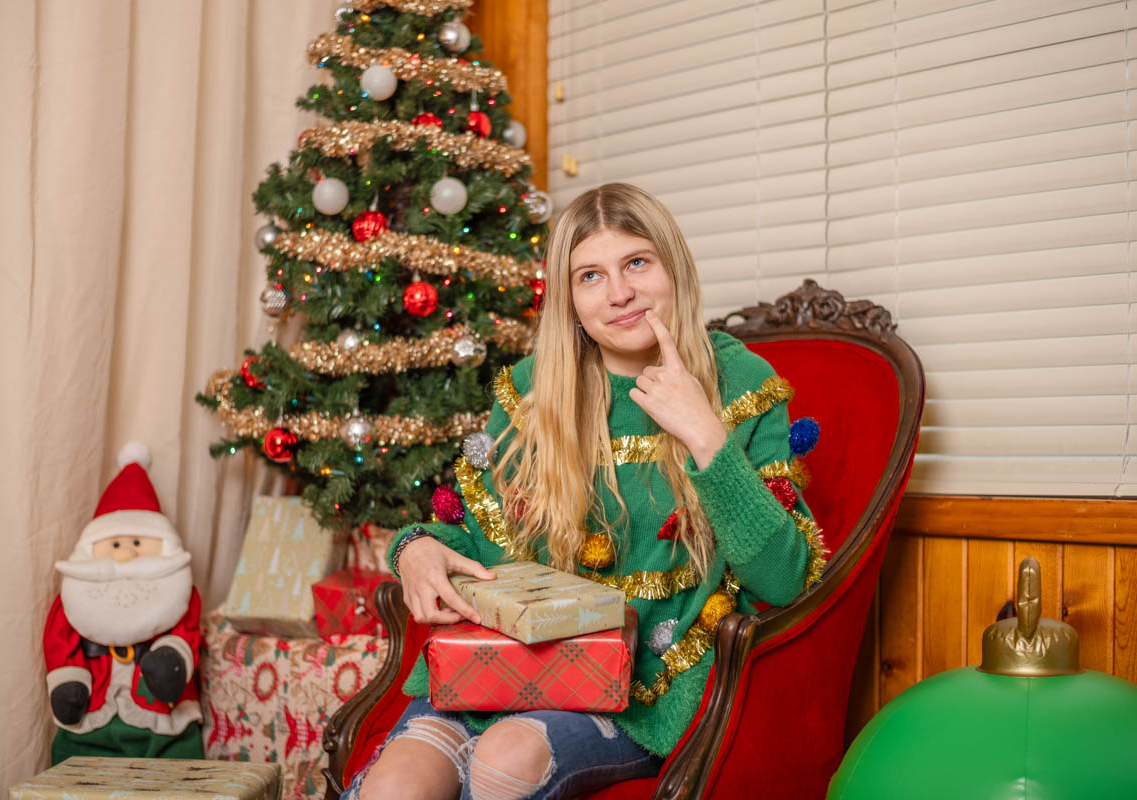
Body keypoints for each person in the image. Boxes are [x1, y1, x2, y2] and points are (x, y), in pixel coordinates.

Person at [346, 183, 825, 800]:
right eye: (590, 276)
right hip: (507, 667)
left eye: (636, 263)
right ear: (569, 300)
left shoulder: (740, 382)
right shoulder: (530, 388)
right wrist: (415, 547)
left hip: (640, 687)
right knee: (397, 789)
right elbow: (479, 542)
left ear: (672, 267)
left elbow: (786, 580)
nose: (620, 293)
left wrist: (707, 436)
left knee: (506, 755)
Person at [43, 443, 204, 765]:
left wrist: (172, 660)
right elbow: (59, 640)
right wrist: (69, 681)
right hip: (93, 713)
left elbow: (189, 632)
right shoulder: (75, 598)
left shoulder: (177, 593)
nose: (126, 554)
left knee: (177, 764)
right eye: (115, 544)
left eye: (137, 544)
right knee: (73, 763)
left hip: (162, 717)